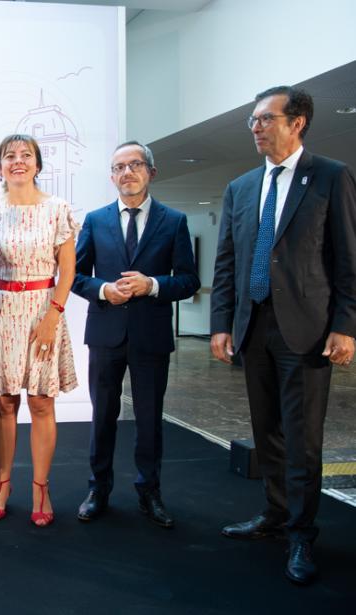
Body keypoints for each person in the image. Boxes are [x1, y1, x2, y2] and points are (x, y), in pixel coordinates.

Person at [211, 86, 356, 585]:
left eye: (265, 118)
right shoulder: (242, 188)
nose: (255, 126)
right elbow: (227, 261)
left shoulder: (331, 177)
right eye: (252, 119)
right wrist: (221, 324)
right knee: (266, 429)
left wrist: (345, 325)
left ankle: (301, 533)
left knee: (302, 438)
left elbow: (347, 261)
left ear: (297, 123)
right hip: (254, 330)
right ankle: (274, 515)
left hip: (308, 331)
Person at [71, 141, 199, 528]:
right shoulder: (95, 220)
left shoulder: (174, 221)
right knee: (103, 417)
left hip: (150, 336)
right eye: (119, 167)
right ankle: (99, 489)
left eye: (135, 165)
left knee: (149, 420)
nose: (127, 172)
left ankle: (150, 492)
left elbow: (189, 280)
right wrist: (105, 290)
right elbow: (75, 276)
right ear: (112, 177)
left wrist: (154, 285)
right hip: (106, 333)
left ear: (151, 172)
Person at [0, 134, 78, 527]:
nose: (18, 161)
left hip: (42, 310)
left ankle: (40, 487)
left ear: (38, 164)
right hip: (1, 312)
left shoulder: (57, 209)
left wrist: (53, 315)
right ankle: (2, 484)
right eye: (10, 156)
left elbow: (67, 269)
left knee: (41, 402)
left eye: (26, 155)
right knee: (4, 403)